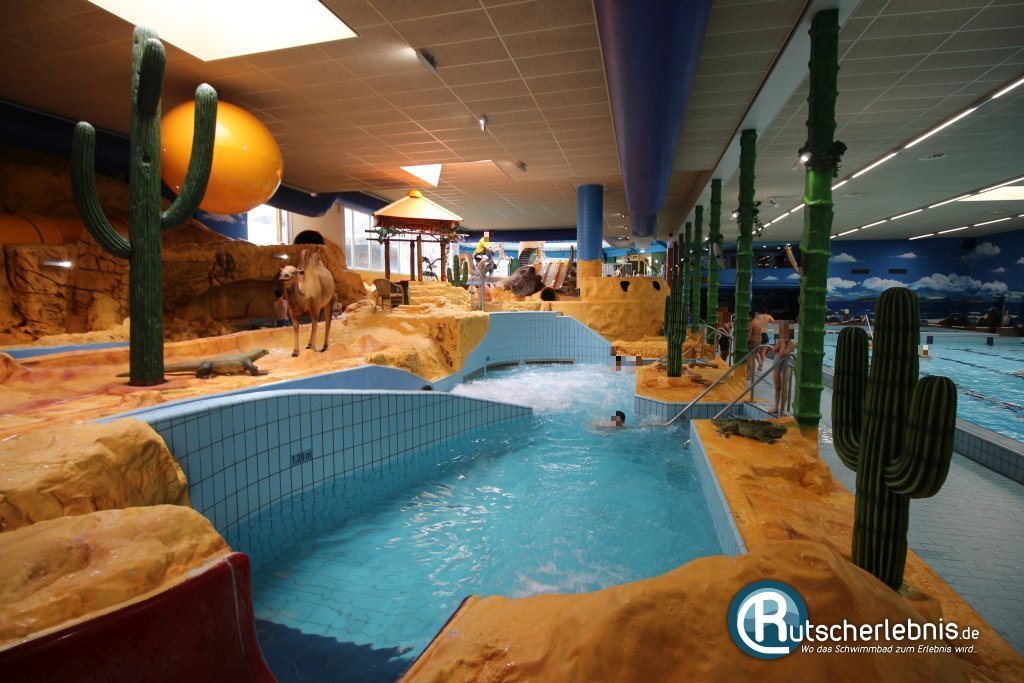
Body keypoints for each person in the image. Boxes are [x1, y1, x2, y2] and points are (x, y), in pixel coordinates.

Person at [769, 322, 797, 415]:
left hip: (785, 367)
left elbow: (782, 353)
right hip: (777, 365)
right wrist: (781, 342)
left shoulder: (792, 343)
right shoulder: (780, 340)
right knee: (777, 388)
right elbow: (774, 349)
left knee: (784, 388)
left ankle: (782, 408)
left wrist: (784, 343)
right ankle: (776, 407)